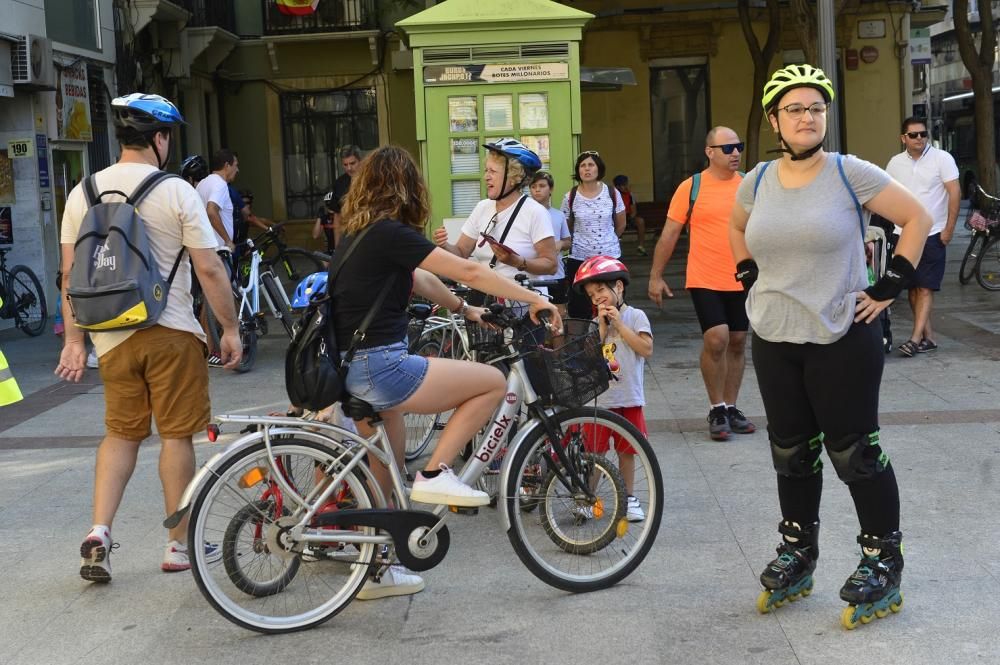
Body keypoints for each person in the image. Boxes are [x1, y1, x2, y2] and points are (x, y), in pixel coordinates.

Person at [729, 64, 931, 625]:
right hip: (775, 335)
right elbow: (736, 226)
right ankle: (798, 551)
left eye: (815, 108)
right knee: (791, 451)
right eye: (794, 108)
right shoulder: (759, 179)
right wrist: (748, 274)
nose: (806, 117)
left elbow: (917, 217)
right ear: (774, 119)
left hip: (842, 332)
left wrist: (890, 286)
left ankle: (882, 560)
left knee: (854, 452)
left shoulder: (849, 173)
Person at [331, 145, 562, 598]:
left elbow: (421, 279)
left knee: (387, 473)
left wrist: (466, 310)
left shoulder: (360, 234)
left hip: (354, 367)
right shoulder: (389, 232)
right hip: (382, 366)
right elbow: (464, 269)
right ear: (404, 186)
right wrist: (533, 298)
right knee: (491, 383)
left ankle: (376, 568)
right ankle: (437, 473)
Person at [54, 93, 241, 583]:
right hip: (171, 330)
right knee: (175, 436)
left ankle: (99, 532)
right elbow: (209, 268)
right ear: (160, 139)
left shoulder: (83, 191)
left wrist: (74, 342)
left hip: (111, 338)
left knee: (120, 434)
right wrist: (229, 327)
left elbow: (69, 274)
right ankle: (177, 545)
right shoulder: (177, 191)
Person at [648, 127, 754, 442]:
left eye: (739, 147)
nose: (735, 153)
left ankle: (731, 407)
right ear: (709, 152)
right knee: (717, 339)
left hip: (743, 277)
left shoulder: (749, 185)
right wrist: (655, 275)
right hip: (705, 276)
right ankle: (716, 407)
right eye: (727, 148)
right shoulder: (691, 187)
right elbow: (669, 234)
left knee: (737, 340)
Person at [573, 256, 652, 522]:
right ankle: (587, 497)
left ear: (618, 287)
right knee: (594, 453)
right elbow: (589, 357)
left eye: (601, 291)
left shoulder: (635, 316)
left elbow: (646, 349)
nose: (597, 298)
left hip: (628, 398)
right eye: (591, 295)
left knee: (626, 451)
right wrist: (603, 327)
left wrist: (619, 324)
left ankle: (629, 498)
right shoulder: (597, 323)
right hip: (600, 400)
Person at [433, 139, 558, 307]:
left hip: (526, 309)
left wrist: (517, 262)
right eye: (486, 170)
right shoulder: (482, 207)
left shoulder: (535, 212)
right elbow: (461, 252)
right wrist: (445, 245)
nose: (486, 177)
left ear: (514, 176)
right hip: (487, 305)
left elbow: (550, 265)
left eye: (492, 171)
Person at [885, 117, 960, 357]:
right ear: (903, 138)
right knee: (912, 288)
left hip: (933, 232)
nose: (920, 138)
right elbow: (887, 194)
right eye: (914, 135)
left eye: (923, 134)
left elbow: (954, 192)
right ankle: (929, 338)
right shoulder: (895, 163)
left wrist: (949, 229)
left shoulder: (942, 159)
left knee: (926, 287)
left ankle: (915, 339)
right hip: (903, 233)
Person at [561, 151, 626, 319]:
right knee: (580, 308)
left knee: (613, 303)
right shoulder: (570, 196)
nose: (587, 169)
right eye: (582, 166)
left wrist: (606, 241)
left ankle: (613, 341)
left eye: (591, 165)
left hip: (609, 258)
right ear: (578, 170)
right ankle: (583, 343)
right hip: (580, 258)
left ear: (599, 168)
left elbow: (621, 224)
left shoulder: (612, 193)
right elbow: (567, 228)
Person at [529, 170, 572, 315]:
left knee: (558, 317)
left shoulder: (558, 215)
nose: (537, 190)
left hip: (556, 274)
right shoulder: (524, 215)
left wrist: (560, 244)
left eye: (542, 186)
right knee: (533, 318)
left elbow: (568, 241)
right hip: (532, 275)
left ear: (551, 189)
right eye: (533, 186)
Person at [319, 145, 362, 248]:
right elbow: (337, 218)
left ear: (360, 160)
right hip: (349, 237)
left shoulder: (371, 179)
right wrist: (337, 248)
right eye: (345, 164)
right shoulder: (339, 184)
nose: (349, 168)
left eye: (352, 163)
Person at [612, 174, 647, 255]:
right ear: (618, 186)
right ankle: (615, 249)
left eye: (626, 184)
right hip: (615, 218)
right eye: (624, 185)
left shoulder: (630, 195)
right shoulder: (613, 195)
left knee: (640, 221)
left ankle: (641, 247)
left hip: (628, 217)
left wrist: (629, 219)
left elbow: (634, 210)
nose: (626, 186)